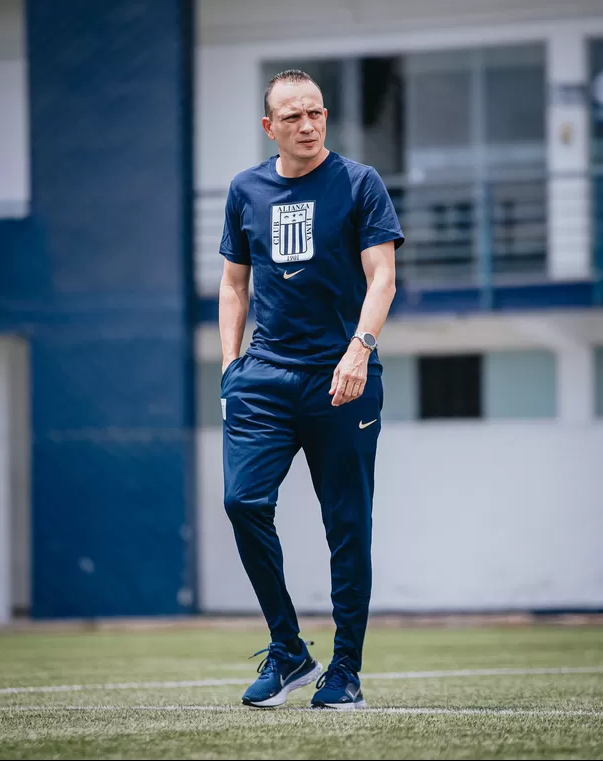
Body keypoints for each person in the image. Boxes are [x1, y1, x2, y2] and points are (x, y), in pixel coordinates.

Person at [218, 69, 404, 710]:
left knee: (347, 526)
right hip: (263, 378)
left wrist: (360, 349)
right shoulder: (246, 189)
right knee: (243, 502)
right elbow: (233, 284)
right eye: (293, 116)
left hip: (343, 378)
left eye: (316, 113)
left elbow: (383, 278)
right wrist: (229, 366)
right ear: (270, 126)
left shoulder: (359, 184)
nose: (307, 124)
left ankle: (345, 670)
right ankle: (289, 650)